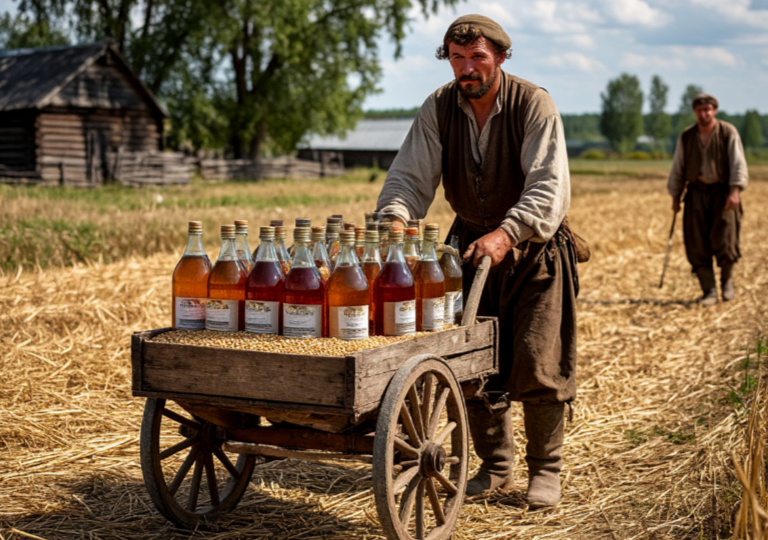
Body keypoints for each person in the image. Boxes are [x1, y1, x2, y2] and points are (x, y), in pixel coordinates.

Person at [375, 14, 578, 509]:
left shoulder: (534, 103)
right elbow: (409, 174)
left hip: (534, 251)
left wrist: (508, 232)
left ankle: (545, 471)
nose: (467, 69)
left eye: (478, 58)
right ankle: (496, 466)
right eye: (457, 58)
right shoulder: (439, 107)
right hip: (466, 248)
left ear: (501, 58)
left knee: (537, 361)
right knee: (470, 360)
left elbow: (549, 185)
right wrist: (395, 220)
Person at [668, 94, 748, 305]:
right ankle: (709, 291)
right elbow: (678, 167)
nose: (705, 114)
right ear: (695, 111)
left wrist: (735, 191)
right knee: (696, 243)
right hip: (696, 194)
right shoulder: (687, 136)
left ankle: (727, 283)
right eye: (701, 110)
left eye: (709, 109)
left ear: (715, 110)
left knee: (726, 239)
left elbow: (738, 164)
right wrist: (675, 195)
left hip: (723, 193)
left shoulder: (727, 132)